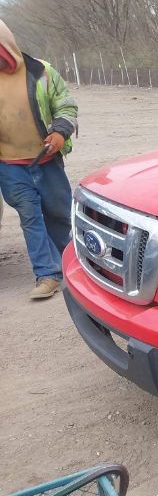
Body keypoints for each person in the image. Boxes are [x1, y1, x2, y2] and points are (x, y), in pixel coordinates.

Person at [0, 19, 78, 299]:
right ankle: (47, 274)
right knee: (30, 217)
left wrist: (60, 132)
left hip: (47, 161)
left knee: (59, 214)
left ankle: (76, 265)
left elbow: (66, 105)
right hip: (10, 167)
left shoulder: (42, 72)